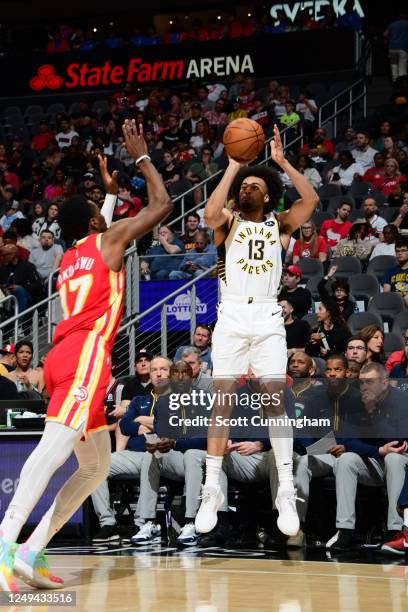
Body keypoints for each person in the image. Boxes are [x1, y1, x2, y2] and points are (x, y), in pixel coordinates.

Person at [0, 120, 172, 592]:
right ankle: (4, 542)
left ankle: (32, 549)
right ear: (99, 223)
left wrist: (108, 200)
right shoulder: (107, 240)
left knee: (94, 466)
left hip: (61, 357)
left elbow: (97, 236)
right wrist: (141, 156)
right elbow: (161, 205)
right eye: (102, 211)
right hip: (85, 357)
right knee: (52, 451)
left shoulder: (67, 259)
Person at [193, 124, 319, 538]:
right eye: (242, 186)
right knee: (222, 402)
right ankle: (211, 488)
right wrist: (232, 166)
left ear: (266, 194)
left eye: (252, 185)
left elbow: (312, 199)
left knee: (274, 401)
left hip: (266, 318)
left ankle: (285, 487)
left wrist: (282, 162)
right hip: (229, 316)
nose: (245, 189)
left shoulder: (279, 226)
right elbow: (210, 214)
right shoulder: (226, 224)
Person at [326, 363, 408, 551]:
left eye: (370, 382)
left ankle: (394, 530)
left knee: (393, 459)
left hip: (401, 463)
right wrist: (378, 451)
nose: (364, 387)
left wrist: (373, 412)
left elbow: (396, 442)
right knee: (345, 460)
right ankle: (345, 529)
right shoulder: (356, 401)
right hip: (375, 461)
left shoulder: (402, 400)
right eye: (362, 383)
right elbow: (347, 442)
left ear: (385, 383)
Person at [91, 356, 170, 544]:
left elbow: (172, 425)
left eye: (163, 369)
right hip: (134, 454)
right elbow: (125, 425)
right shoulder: (139, 400)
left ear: (172, 374)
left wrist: (143, 419)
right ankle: (108, 524)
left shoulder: (178, 399)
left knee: (150, 459)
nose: (158, 373)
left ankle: (142, 523)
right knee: (95, 467)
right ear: (149, 375)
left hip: (164, 454)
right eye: (154, 370)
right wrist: (141, 425)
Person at [0, 244, 44, 313]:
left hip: (27, 296)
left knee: (18, 290)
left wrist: (22, 286)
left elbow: (38, 285)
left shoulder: (27, 266)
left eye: (5, 255)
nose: (2, 257)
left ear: (13, 255)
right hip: (7, 294)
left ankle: (18, 321)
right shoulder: (3, 268)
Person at [382, 237, 408, 305]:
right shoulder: (390, 272)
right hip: (394, 301)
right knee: (372, 299)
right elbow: (386, 292)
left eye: (403, 250)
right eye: (397, 251)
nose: (400, 253)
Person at [384, 13, 408, 81]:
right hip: (403, 48)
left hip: (392, 47)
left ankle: (395, 80)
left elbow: (385, 34)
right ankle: (402, 81)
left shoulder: (392, 24)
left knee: (393, 64)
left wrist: (391, 38)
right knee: (402, 65)